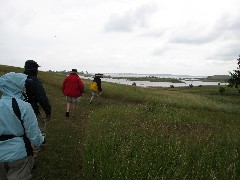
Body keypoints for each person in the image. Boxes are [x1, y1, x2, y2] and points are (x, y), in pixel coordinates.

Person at [0, 72, 45, 180]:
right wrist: (41, 142)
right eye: (23, 84)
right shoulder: (24, 106)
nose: (25, 87)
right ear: (16, 86)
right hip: (19, 154)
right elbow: (33, 133)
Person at [23, 60, 52, 136]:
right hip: (32, 108)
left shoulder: (20, 79)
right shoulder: (35, 80)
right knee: (40, 128)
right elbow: (42, 97)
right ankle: (39, 145)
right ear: (34, 69)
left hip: (18, 108)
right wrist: (48, 112)